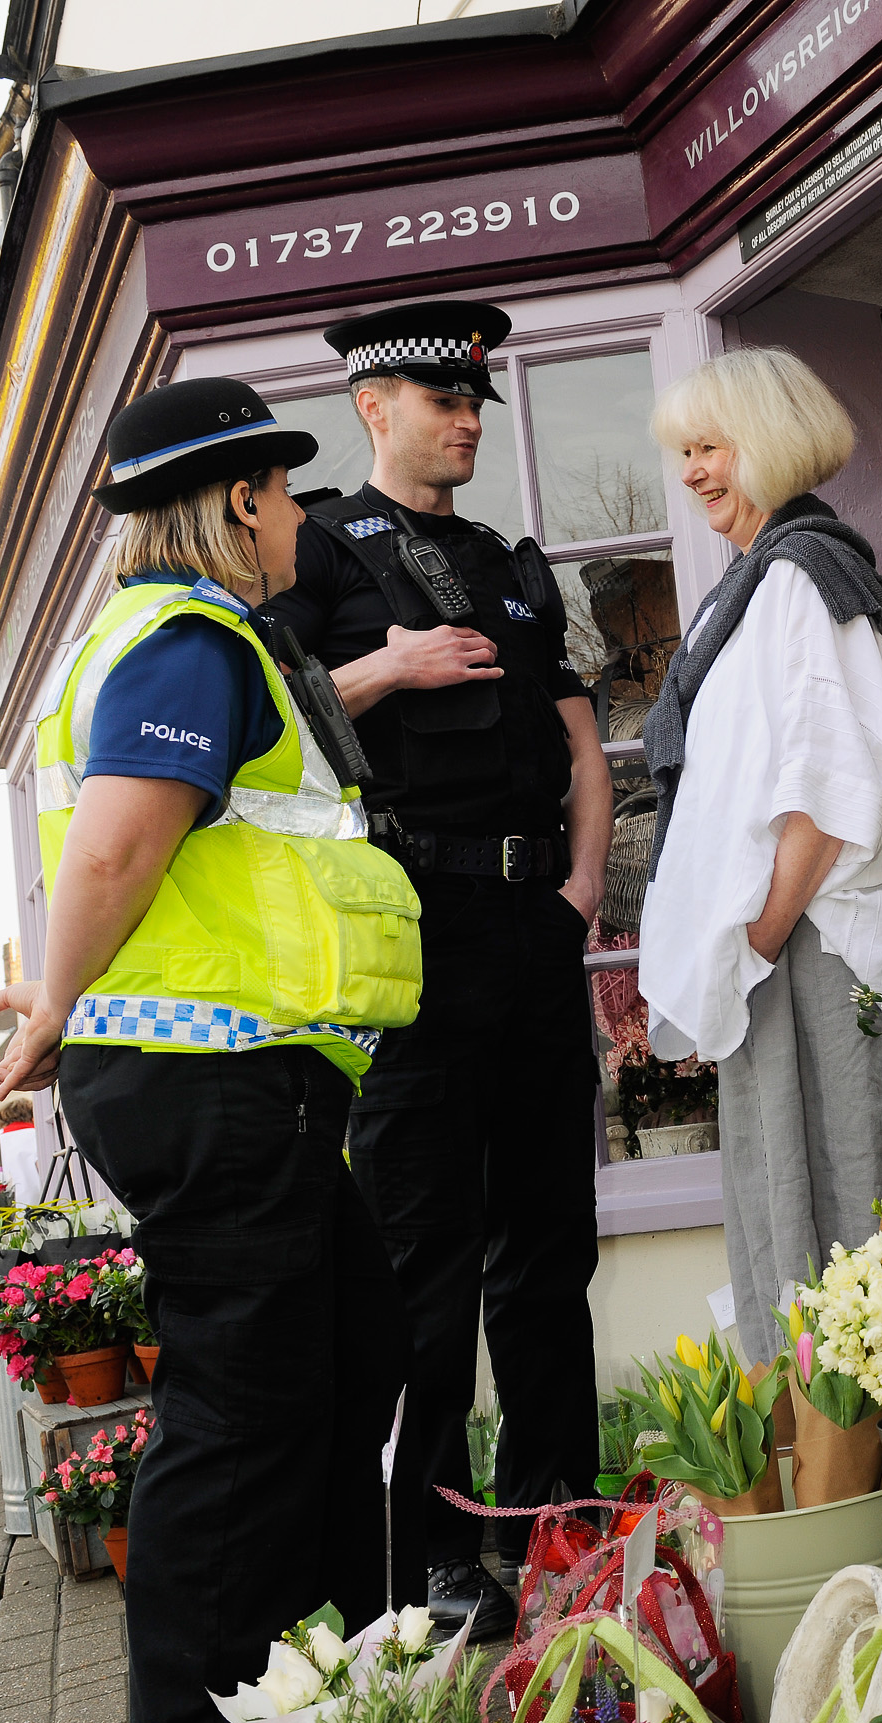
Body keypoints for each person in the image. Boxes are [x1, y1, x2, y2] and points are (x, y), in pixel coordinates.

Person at [0, 375, 426, 1723]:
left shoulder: (200, 642)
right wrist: (51, 1008)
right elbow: (114, 851)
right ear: (237, 500)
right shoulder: (186, 638)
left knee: (348, 1369)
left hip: (251, 1088)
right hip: (214, 1085)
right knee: (239, 1425)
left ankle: (331, 1701)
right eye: (285, 494)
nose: (298, 519)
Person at [261, 300, 611, 1636]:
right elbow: (273, 722)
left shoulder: (512, 564)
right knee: (427, 1266)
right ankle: (433, 1562)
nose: (465, 420)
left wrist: (582, 890)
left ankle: (557, 1523)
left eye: (476, 403)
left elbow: (582, 742)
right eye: (440, 401)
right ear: (374, 408)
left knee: (547, 1251)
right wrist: (390, 666)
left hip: (530, 933)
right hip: (415, 937)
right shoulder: (324, 557)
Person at [636, 348, 882, 1364]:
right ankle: (826, 1458)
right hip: (778, 956)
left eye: (709, 448)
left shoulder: (803, 579)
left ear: (768, 448)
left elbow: (828, 799)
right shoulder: (757, 586)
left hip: (819, 954)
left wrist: (756, 943)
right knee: (814, 1214)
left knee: (861, 1204)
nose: (691, 473)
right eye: (681, 453)